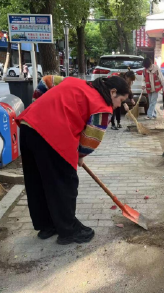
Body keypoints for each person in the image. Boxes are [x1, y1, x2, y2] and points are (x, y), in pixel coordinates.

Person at [16, 76, 130, 245]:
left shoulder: (75, 82)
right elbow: (90, 141)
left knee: (38, 181)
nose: (119, 105)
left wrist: (40, 104)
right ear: (112, 92)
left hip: (28, 126)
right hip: (52, 137)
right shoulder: (102, 107)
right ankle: (68, 230)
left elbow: (46, 81)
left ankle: (47, 226)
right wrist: (80, 156)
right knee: (65, 183)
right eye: (120, 100)